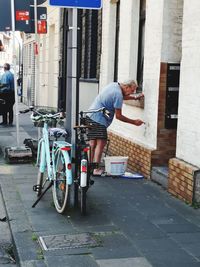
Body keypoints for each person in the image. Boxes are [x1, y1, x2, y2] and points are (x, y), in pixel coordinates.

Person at [86, 80, 144, 175]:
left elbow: (122, 96)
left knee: (92, 143)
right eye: (132, 90)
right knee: (100, 144)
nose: (133, 92)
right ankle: (95, 170)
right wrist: (134, 122)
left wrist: (134, 97)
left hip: (91, 115)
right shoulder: (118, 94)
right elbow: (119, 116)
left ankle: (89, 167)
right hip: (99, 119)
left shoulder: (114, 85)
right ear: (127, 87)